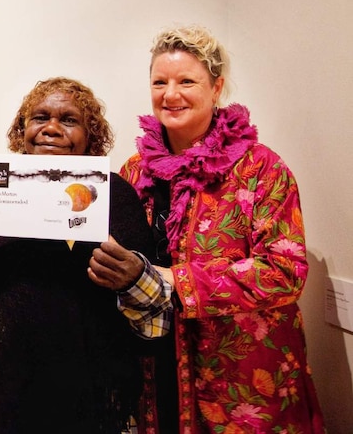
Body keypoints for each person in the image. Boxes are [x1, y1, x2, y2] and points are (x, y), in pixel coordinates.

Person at [92, 25, 326, 433]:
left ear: (216, 88)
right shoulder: (133, 171)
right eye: (159, 82)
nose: (171, 94)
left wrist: (175, 280)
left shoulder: (260, 169)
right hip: (155, 365)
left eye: (187, 81)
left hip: (240, 376)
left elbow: (285, 273)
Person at [0, 77, 167, 433]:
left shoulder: (115, 198)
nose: (52, 129)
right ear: (22, 130)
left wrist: (136, 279)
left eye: (69, 120)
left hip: (97, 407)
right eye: (39, 117)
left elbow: (156, 324)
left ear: (90, 134)